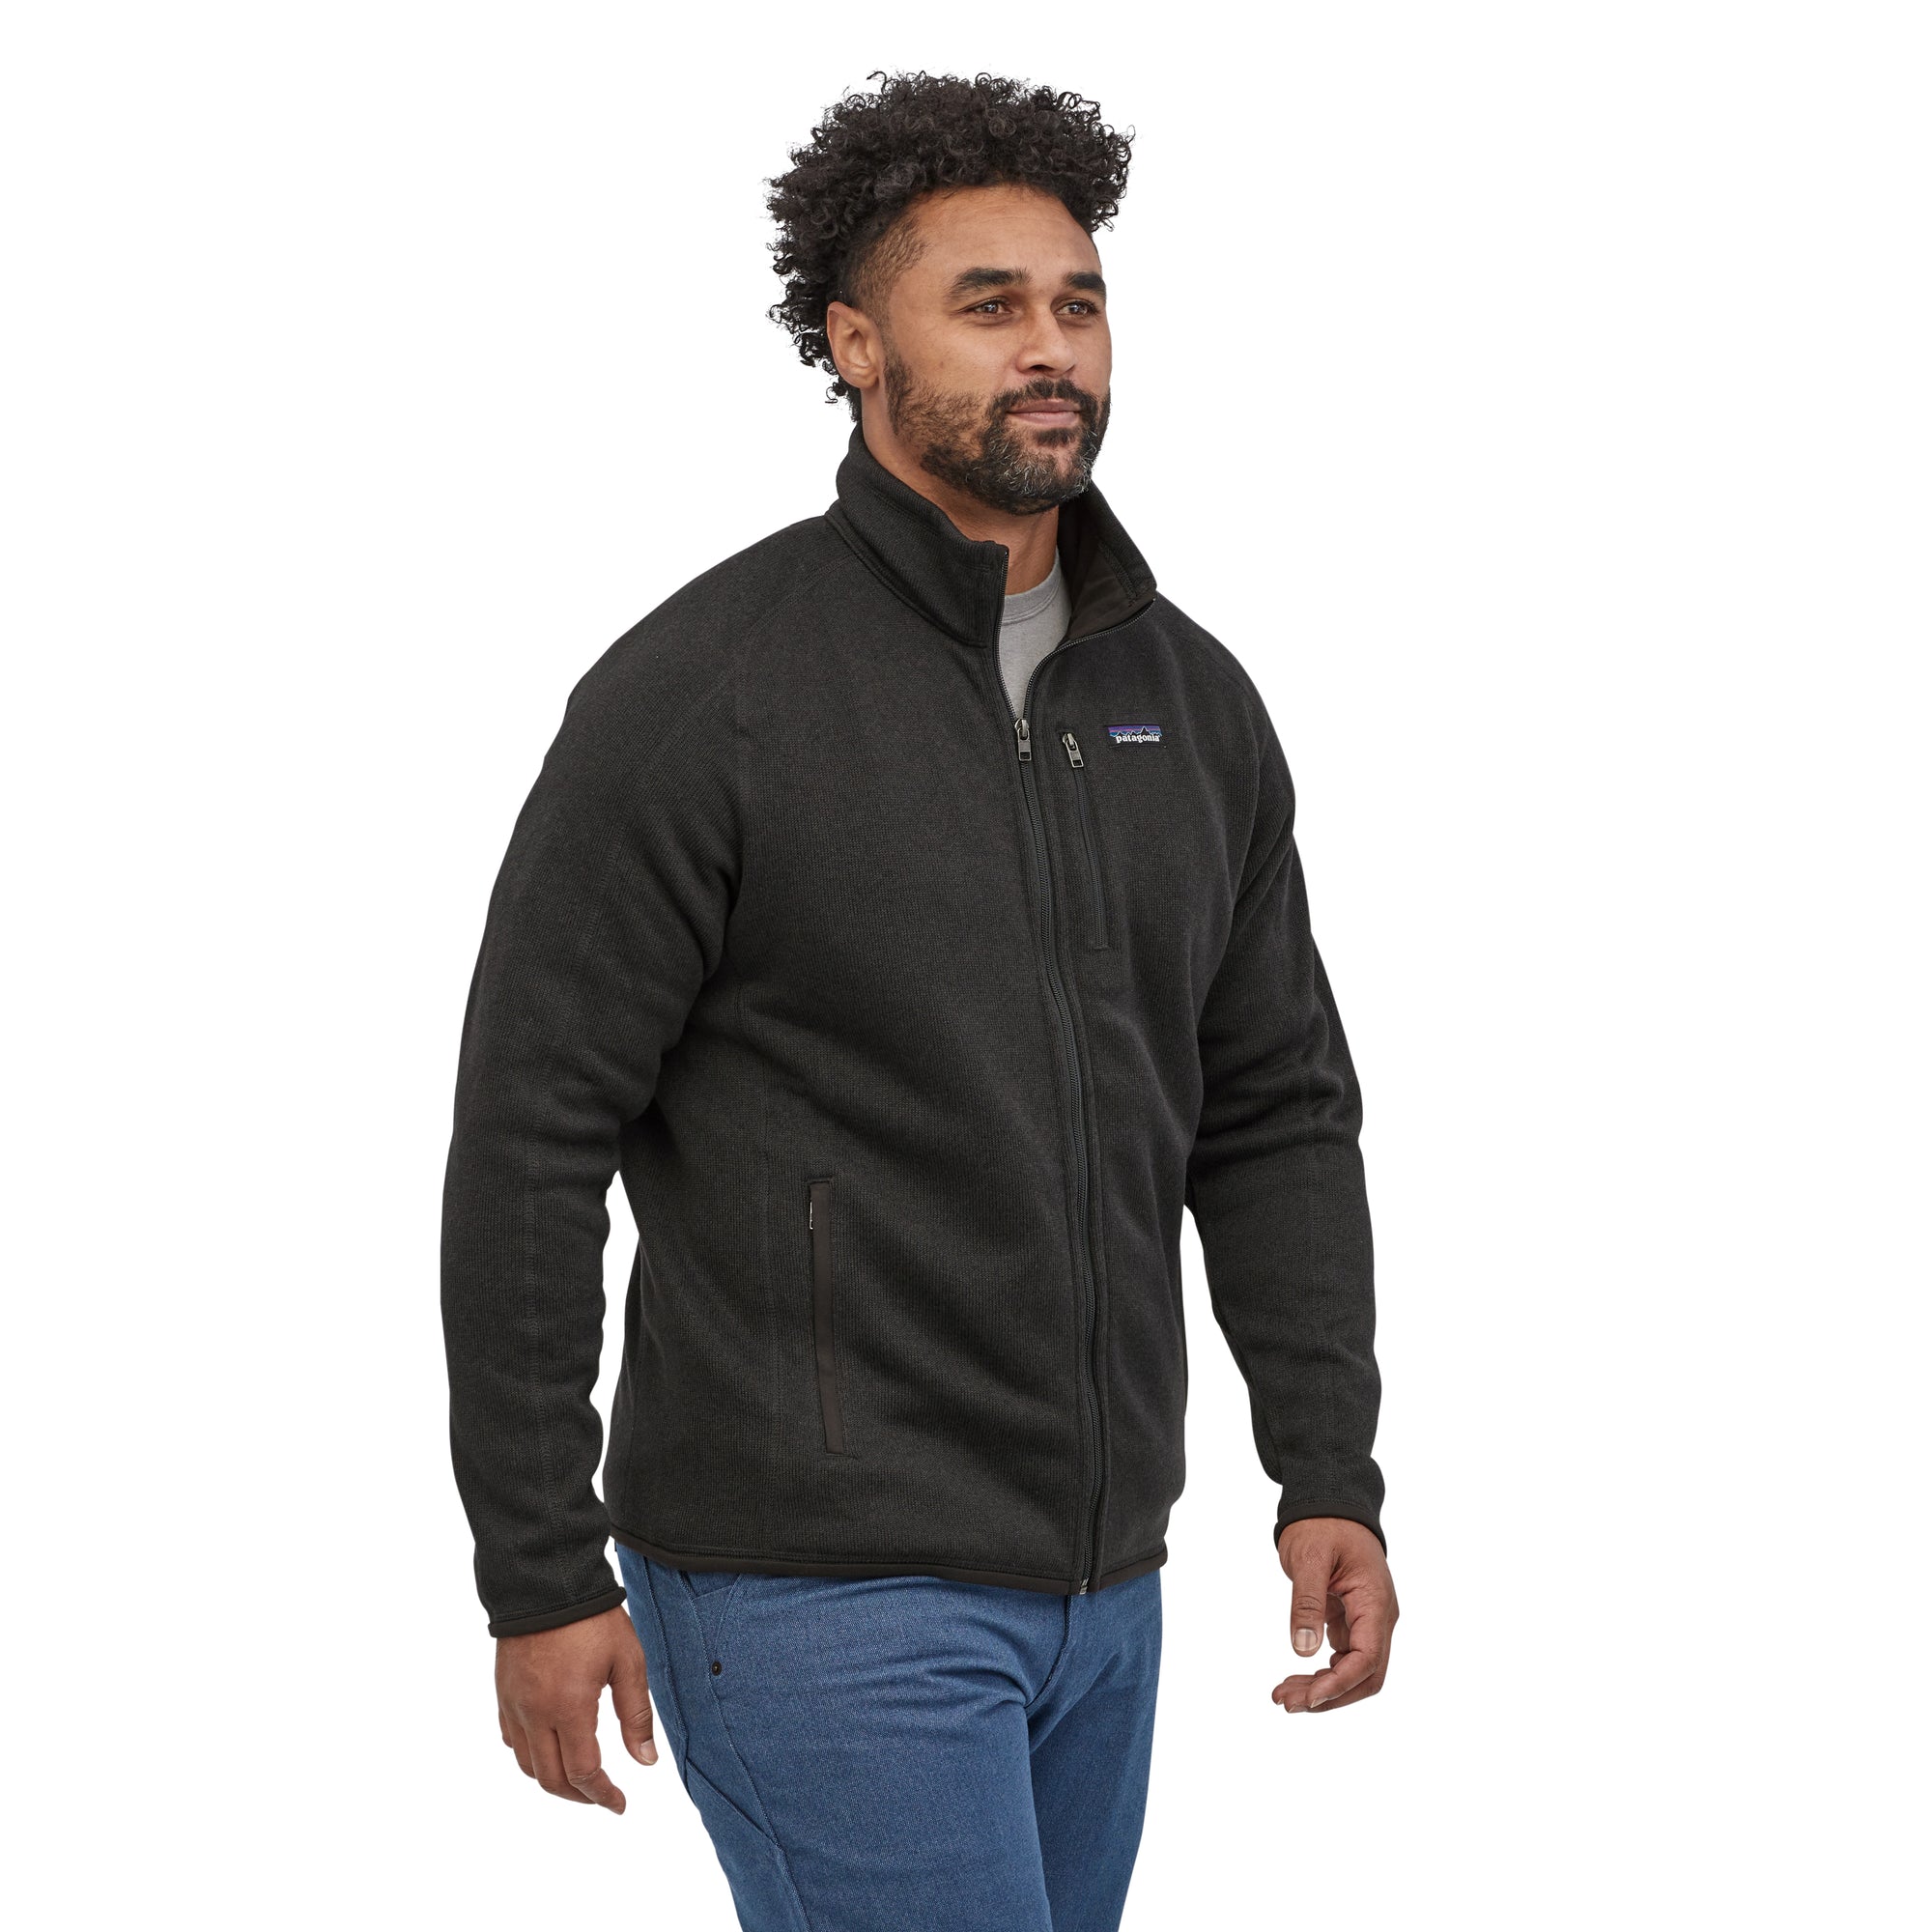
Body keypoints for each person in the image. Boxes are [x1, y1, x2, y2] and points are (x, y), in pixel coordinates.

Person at [440, 68, 1397, 1932]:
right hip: (815, 1583)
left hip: (1107, 1584)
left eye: (1079, 303)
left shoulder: (1191, 701)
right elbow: (533, 1135)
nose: (1051, 348)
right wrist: (540, 1568)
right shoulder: (710, 691)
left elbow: (1277, 1107)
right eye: (989, 305)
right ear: (856, 343)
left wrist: (1326, 1467)